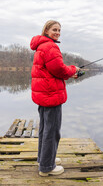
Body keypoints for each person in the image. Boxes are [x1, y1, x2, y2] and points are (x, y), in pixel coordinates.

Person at [30, 20, 79, 176]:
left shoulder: (41, 46)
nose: (57, 32)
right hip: (51, 95)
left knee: (45, 129)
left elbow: (51, 72)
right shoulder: (50, 46)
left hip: (44, 94)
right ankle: (46, 167)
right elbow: (59, 69)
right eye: (54, 29)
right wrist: (73, 69)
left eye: (59, 30)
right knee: (52, 131)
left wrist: (70, 73)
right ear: (46, 31)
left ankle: (43, 158)